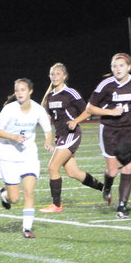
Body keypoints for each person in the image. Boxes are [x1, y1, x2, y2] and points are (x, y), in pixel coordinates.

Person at [39, 63, 104, 213]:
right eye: (52, 74)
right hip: (61, 136)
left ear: (64, 76)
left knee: (52, 167)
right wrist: (49, 139)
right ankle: (104, 188)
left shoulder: (70, 93)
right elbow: (47, 115)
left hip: (71, 135)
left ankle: (56, 205)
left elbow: (88, 111)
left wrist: (75, 121)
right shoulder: (50, 96)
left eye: (58, 73)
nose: (54, 76)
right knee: (73, 172)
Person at [0, 78, 53, 238]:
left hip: (29, 156)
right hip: (8, 156)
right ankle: (4, 195)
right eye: (17, 90)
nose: (19, 93)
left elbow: (47, 130)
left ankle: (27, 228)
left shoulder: (38, 109)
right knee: (14, 198)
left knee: (29, 192)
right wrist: (13, 136)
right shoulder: (9, 109)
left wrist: (47, 141)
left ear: (30, 91)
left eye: (23, 90)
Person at [86, 53, 131, 218]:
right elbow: (90, 108)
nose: (118, 69)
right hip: (109, 130)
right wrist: (111, 112)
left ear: (129, 67)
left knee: (128, 166)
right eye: (114, 66)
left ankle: (122, 206)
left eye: (121, 65)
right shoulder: (106, 85)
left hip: (129, 130)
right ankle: (107, 186)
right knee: (113, 170)